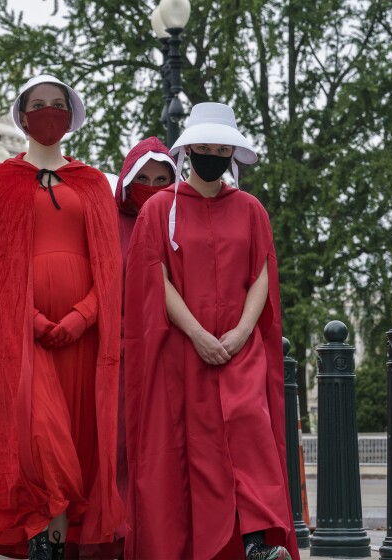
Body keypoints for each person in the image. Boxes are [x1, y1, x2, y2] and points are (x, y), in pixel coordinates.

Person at [0, 75, 124, 560]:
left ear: (70, 116)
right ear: (22, 116)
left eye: (57, 105)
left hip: (81, 336)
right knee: (40, 438)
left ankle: (54, 539)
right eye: (38, 105)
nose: (48, 112)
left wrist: (82, 316)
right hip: (21, 336)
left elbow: (109, 268)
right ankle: (42, 535)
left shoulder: (93, 183)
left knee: (76, 435)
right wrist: (29, 319)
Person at [123, 103, 299, 560]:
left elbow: (262, 272)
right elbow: (153, 275)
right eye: (205, 147)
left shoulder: (251, 208)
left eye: (222, 148)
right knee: (198, 450)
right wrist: (198, 334)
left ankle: (256, 542)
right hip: (185, 351)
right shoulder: (160, 208)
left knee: (251, 437)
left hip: (241, 348)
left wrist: (242, 332)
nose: (213, 154)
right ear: (189, 150)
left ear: (233, 153)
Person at [111, 137, 175, 557]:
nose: (151, 187)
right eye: (143, 179)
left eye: (161, 179)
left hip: (170, 350)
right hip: (118, 351)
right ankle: (116, 532)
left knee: (161, 450)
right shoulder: (108, 224)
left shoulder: (178, 222)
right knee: (117, 448)